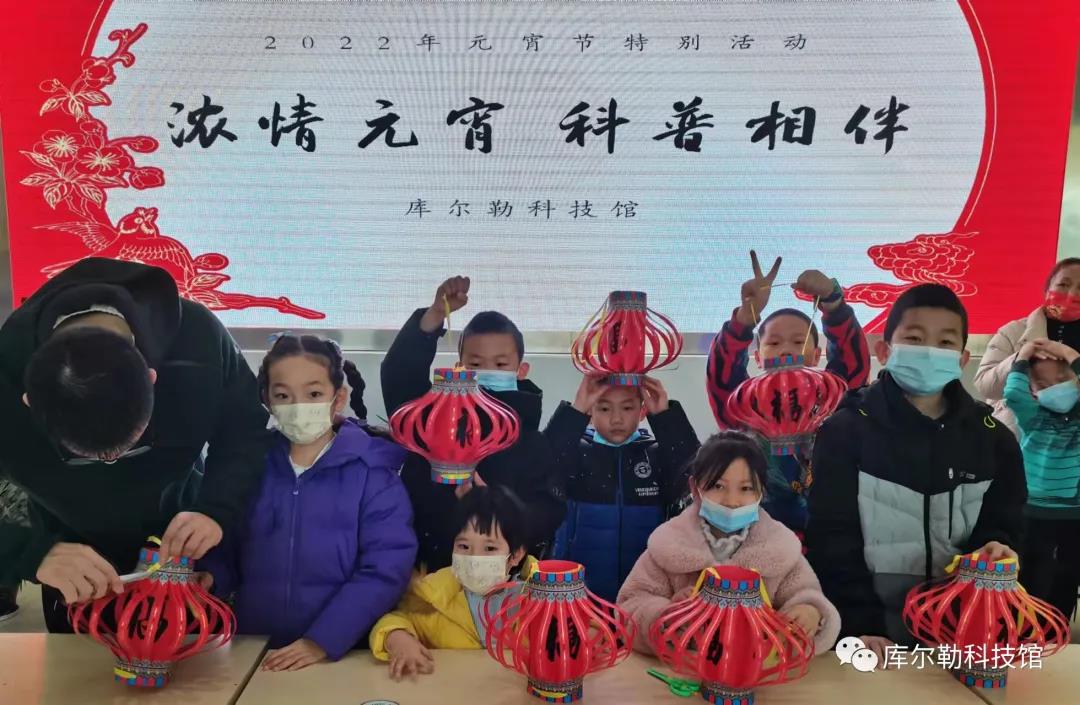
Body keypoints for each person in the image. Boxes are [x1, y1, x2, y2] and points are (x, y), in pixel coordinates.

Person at [0, 258, 269, 632]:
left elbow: (244, 431)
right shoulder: (5, 375)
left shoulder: (198, 341)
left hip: (186, 549)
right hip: (72, 566)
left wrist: (216, 510)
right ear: (29, 403)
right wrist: (29, 553)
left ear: (152, 378)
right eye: (86, 455)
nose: (113, 461)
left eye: (130, 444)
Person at [806, 283, 1027, 663]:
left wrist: (996, 548)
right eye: (914, 338)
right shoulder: (845, 431)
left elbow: (1005, 524)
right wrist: (861, 625)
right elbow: (831, 539)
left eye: (945, 342)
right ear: (884, 351)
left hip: (959, 636)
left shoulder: (993, 439)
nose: (929, 351)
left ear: (962, 359)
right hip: (868, 635)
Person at [200, 334, 416, 670]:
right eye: (283, 395)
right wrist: (211, 575)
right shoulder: (250, 466)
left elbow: (386, 568)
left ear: (338, 397)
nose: (298, 406)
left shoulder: (372, 473)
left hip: (343, 654)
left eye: (313, 394)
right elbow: (227, 542)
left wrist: (322, 640)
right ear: (267, 400)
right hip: (255, 651)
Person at [381, 276, 566, 571]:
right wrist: (435, 315)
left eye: (501, 364)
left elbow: (547, 512)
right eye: (476, 364)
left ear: (521, 370)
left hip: (499, 581)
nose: (488, 371)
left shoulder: (532, 441)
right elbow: (399, 377)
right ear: (460, 367)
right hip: (426, 573)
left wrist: (496, 509)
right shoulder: (434, 418)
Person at [617, 431, 840, 655]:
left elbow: (807, 595)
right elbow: (630, 606)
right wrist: (666, 616)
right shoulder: (669, 545)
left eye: (746, 489)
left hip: (757, 670)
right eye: (718, 486)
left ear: (761, 491)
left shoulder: (779, 548)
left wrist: (810, 613)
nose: (732, 501)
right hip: (678, 669)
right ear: (695, 488)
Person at [707, 251, 870, 534]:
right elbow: (722, 377)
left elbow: (852, 369)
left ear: (816, 355)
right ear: (758, 357)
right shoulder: (744, 409)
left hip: (827, 541)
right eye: (774, 343)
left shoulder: (831, 402)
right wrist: (744, 319)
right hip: (759, 541)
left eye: (798, 342)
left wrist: (833, 303)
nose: (785, 350)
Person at [545, 375, 698, 602]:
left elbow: (694, 472)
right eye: (604, 408)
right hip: (578, 594)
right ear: (590, 411)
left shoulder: (657, 454)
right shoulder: (576, 452)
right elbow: (542, 465)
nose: (616, 419)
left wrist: (665, 416)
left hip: (645, 594)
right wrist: (575, 411)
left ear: (642, 411)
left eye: (627, 408)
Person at [370, 485, 534, 680]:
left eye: (489, 548)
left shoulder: (537, 599)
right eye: (463, 546)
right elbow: (395, 620)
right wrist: (399, 640)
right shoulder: (434, 596)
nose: (473, 557)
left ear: (515, 555)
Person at [1003, 338, 1080, 620]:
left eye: (1062, 379)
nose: (1055, 388)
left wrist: (1068, 353)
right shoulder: (1033, 417)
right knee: (1031, 576)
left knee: (1068, 575)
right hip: (1034, 511)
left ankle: (1057, 630)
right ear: (1033, 393)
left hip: (1075, 514)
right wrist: (1023, 356)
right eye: (1044, 385)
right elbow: (1013, 394)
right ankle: (1025, 631)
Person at [975, 257, 1080, 436]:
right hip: (1017, 438)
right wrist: (1020, 359)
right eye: (1063, 284)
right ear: (1047, 289)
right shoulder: (1013, 331)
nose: (1071, 294)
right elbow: (985, 387)